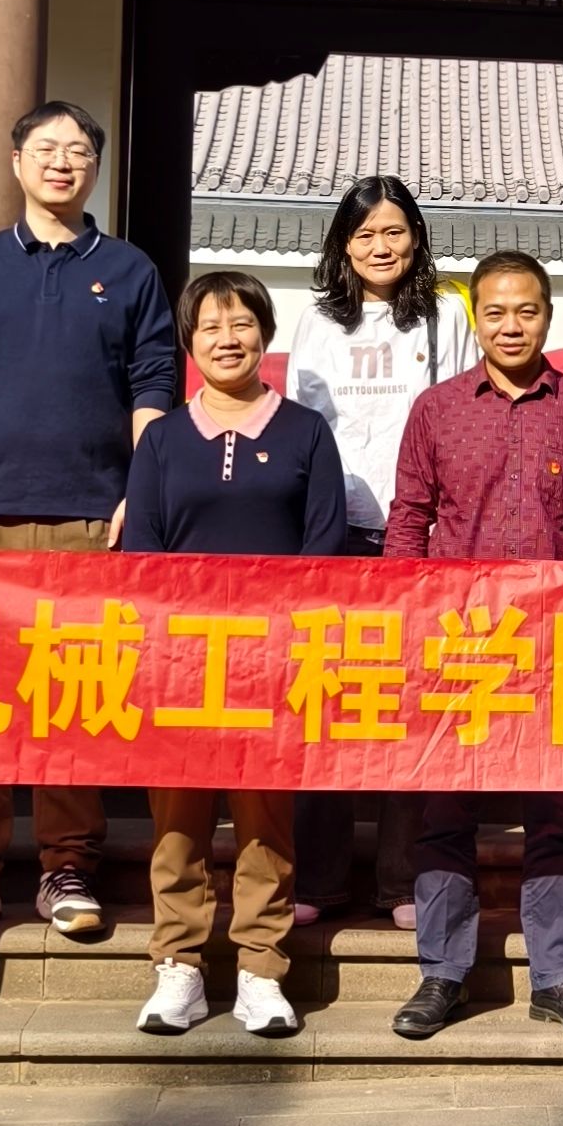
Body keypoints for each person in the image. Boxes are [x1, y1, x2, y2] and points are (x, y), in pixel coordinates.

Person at [0, 100, 179, 947]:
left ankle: (68, 866)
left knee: (75, 699)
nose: (62, 162)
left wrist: (142, 489)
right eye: (47, 148)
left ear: (95, 168)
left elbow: (153, 383)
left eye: (78, 151)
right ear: (17, 160)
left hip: (91, 519)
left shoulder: (129, 269)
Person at [380, 251, 563, 1043]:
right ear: (477, 320)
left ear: (548, 316)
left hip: (554, 641)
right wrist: (404, 617)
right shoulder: (437, 409)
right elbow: (409, 516)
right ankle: (442, 972)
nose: (511, 325)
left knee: (554, 811)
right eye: (495, 312)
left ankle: (558, 977)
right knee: (445, 810)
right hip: (458, 642)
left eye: (526, 310)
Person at [121, 269, 349, 1041]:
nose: (228, 339)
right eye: (211, 327)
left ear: (265, 335)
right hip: (181, 663)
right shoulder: (161, 439)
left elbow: (324, 545)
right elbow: (143, 552)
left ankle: (261, 969)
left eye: (242, 323)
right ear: (189, 342)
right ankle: (179, 965)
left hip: (272, 663)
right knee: (177, 819)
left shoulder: (305, 432)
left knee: (264, 822)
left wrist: (285, 639)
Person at [281, 177, 447, 927]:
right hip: (333, 532)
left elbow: (457, 417)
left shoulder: (446, 315)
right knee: (328, 702)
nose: (381, 246)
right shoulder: (316, 320)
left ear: (415, 237)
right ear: (343, 244)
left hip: (417, 533)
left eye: (394, 231)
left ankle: (402, 879)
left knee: (411, 705)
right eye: (365, 234)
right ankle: (318, 877)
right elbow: (298, 429)